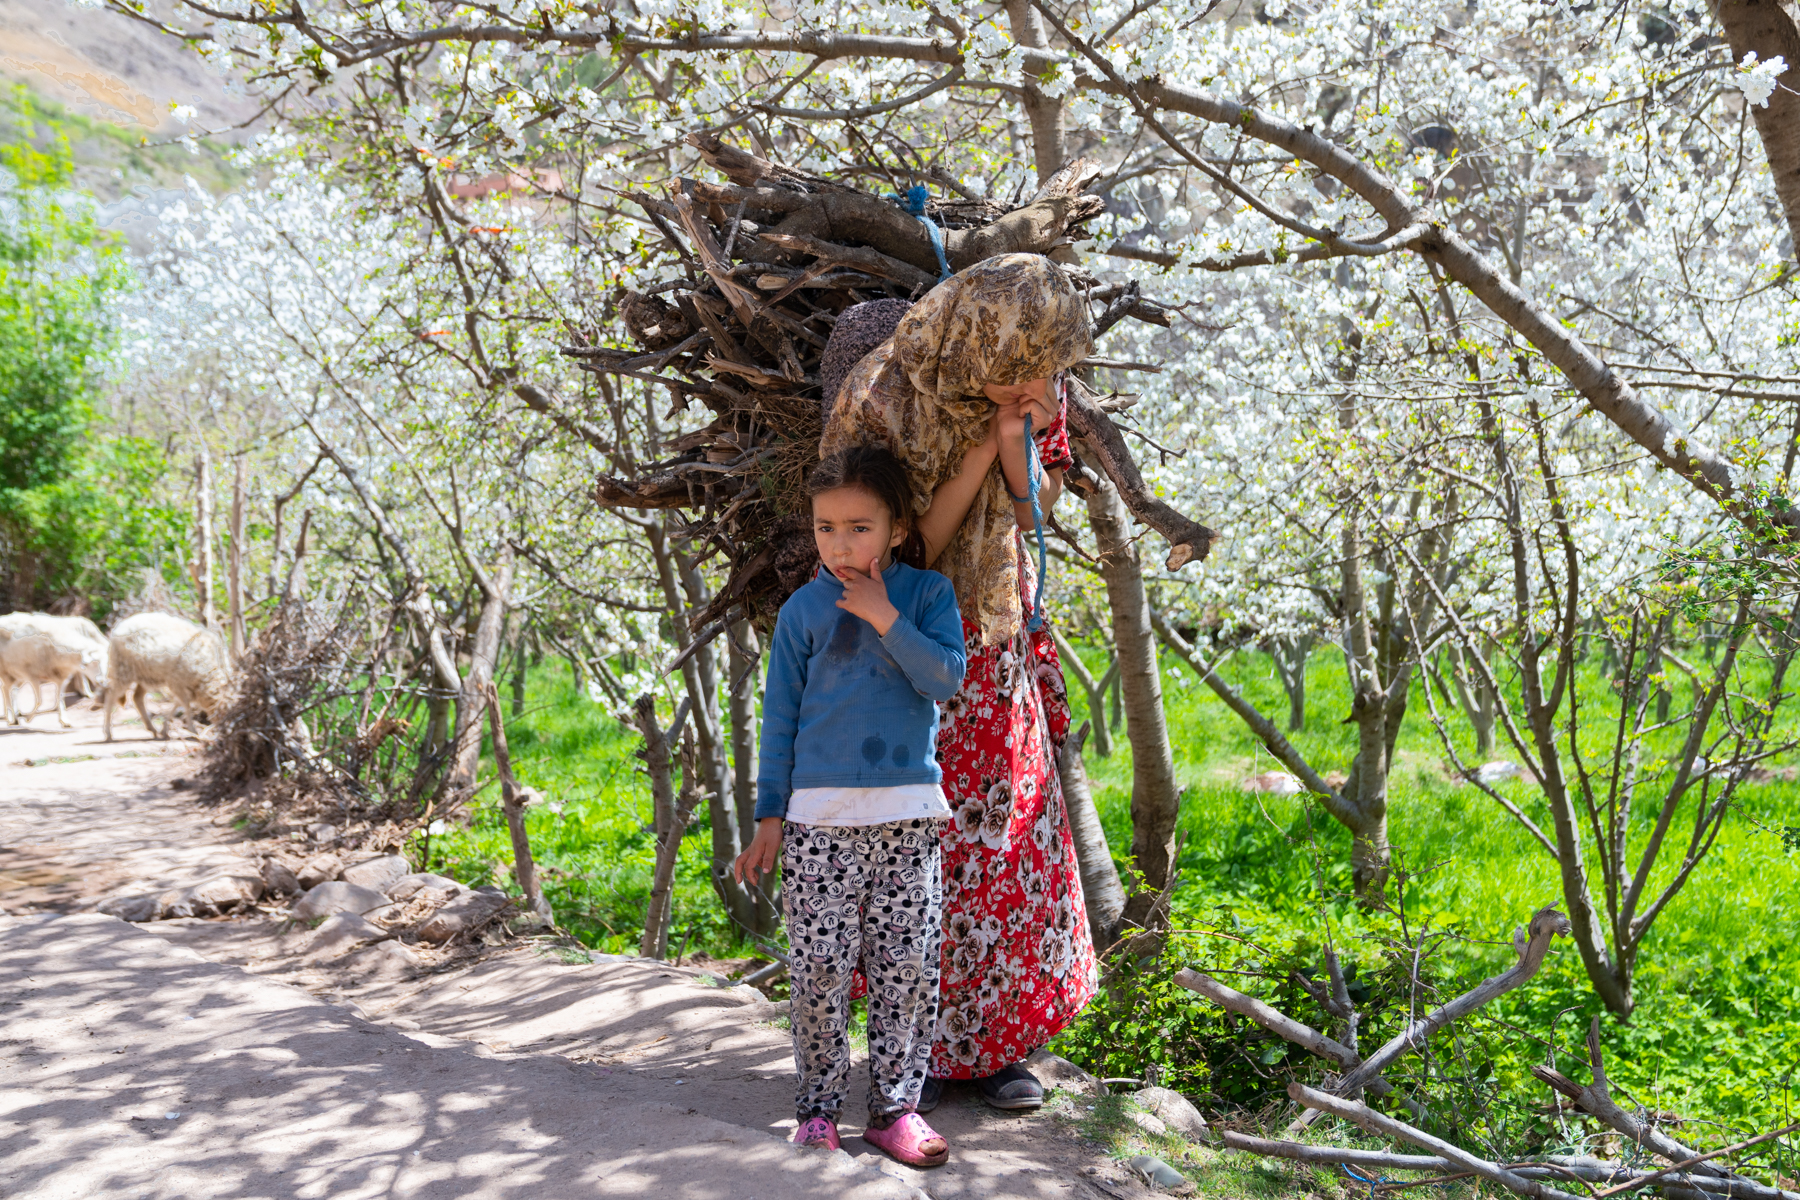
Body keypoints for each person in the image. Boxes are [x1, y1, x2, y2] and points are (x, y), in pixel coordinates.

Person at [821, 253, 1099, 1113]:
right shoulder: (881, 400)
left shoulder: (1026, 388)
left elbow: (1035, 515)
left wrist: (1019, 446)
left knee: (1006, 845)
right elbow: (899, 557)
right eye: (1022, 359)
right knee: (919, 851)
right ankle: (924, 1053)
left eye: (1044, 363)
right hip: (905, 644)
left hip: (998, 641)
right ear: (983, 337)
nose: (1036, 376)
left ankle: (1003, 1050)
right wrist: (982, 445)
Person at [733, 444, 968, 1167]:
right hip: (818, 827)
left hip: (908, 822)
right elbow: (779, 722)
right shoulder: (802, 613)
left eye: (859, 527)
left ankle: (895, 1109)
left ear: (897, 528)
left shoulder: (928, 596)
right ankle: (817, 1109)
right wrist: (769, 819)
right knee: (820, 970)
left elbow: (944, 679)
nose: (841, 543)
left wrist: (884, 616)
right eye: (827, 528)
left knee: (906, 969)